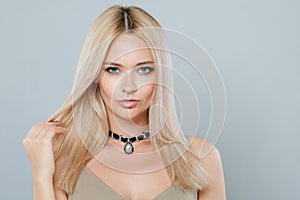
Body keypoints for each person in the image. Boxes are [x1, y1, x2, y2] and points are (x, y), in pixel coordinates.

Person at [23, 5, 226, 200]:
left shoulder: (200, 157)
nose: (128, 86)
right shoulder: (65, 159)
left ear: (160, 75)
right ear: (94, 75)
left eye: (144, 69)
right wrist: (41, 176)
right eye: (113, 69)